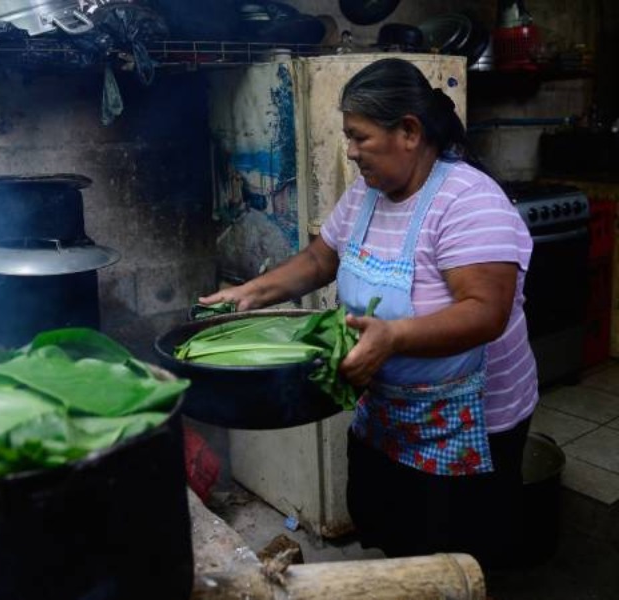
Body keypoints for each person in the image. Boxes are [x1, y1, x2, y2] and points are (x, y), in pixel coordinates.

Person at [198, 57, 537, 569]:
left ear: (408, 131)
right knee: (390, 530)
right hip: (388, 414)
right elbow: (319, 259)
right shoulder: (366, 195)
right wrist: (253, 292)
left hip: (466, 427)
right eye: (347, 137)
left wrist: (393, 338)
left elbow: (485, 314)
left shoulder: (469, 202)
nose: (350, 152)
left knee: (453, 558)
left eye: (359, 138)